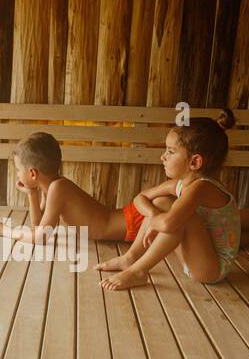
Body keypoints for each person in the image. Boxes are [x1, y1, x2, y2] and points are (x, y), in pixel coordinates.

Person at [8, 125, 249, 252]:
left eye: (21, 173)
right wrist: (32, 194)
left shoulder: (60, 188)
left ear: (33, 171)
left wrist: (6, 232)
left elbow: (40, 236)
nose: (21, 178)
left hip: (133, 222)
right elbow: (40, 227)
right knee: (220, 236)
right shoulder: (52, 190)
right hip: (132, 222)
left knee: (225, 224)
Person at [97, 115, 241, 290]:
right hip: (192, 260)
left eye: (170, 152)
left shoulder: (202, 188)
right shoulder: (180, 185)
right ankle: (131, 258)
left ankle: (138, 272)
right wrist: (153, 214)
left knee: (182, 217)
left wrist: (158, 221)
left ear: (195, 162)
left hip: (211, 269)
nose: (162, 157)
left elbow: (168, 223)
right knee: (161, 202)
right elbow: (140, 198)